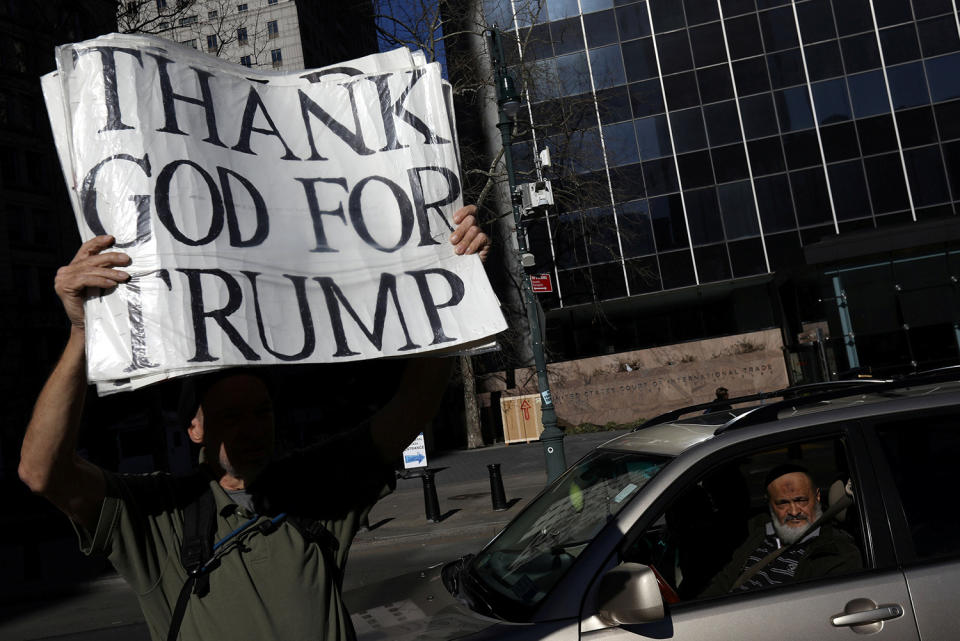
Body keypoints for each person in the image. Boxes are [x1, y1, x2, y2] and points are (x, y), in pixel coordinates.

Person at [18, 205, 490, 641]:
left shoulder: (315, 488)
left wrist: (451, 277)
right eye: (229, 416)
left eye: (261, 412)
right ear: (194, 428)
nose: (251, 428)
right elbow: (41, 471)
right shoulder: (156, 514)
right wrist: (83, 331)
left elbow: (411, 407)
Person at [701, 464, 861, 596]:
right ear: (769, 504)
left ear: (817, 496)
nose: (794, 511)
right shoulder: (759, 534)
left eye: (801, 500)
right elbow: (722, 583)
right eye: (782, 503)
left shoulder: (835, 550)